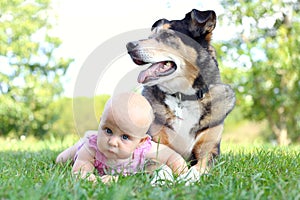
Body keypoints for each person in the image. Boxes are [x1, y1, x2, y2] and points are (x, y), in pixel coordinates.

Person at [56, 92, 188, 183]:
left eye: (125, 137)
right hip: (84, 144)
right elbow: (80, 172)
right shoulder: (92, 148)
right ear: (101, 122)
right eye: (108, 130)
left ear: (140, 142)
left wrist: (182, 173)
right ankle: (75, 146)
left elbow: (172, 156)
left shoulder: (144, 149)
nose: (113, 142)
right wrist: (94, 180)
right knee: (61, 160)